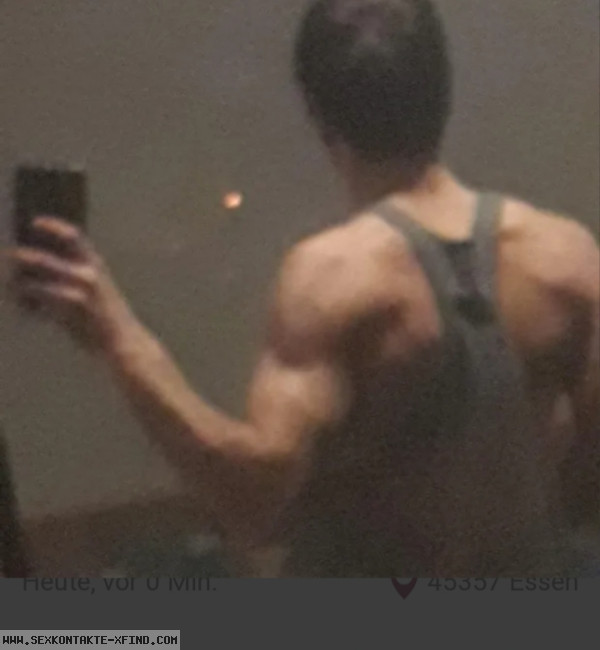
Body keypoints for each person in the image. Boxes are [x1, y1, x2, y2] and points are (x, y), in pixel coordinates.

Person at [7, 0, 599, 576]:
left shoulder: (332, 278)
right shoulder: (567, 256)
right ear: (442, 91)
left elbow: (254, 504)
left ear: (318, 115)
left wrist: (115, 335)